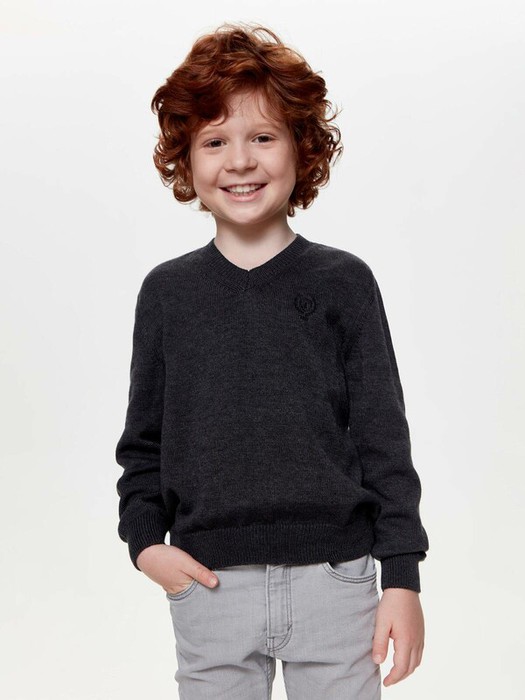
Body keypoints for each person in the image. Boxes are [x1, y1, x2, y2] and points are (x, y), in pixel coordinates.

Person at [115, 21, 430, 699]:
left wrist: (401, 577)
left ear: (301, 147)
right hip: (208, 583)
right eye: (214, 141)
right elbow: (143, 444)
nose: (239, 161)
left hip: (337, 580)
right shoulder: (167, 294)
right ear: (185, 160)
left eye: (262, 137)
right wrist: (145, 546)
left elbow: (382, 439)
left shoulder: (343, 283)